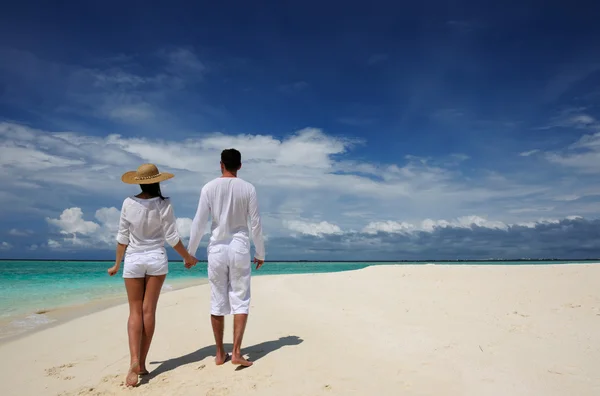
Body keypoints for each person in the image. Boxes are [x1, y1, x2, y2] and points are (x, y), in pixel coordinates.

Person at [107, 163, 198, 387]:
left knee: (134, 311)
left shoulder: (129, 203)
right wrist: (187, 257)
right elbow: (172, 237)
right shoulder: (164, 204)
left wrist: (117, 264)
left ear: (139, 181)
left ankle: (133, 361)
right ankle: (143, 363)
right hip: (156, 259)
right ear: (157, 181)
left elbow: (122, 237)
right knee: (149, 311)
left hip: (134, 260)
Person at [187, 148, 265, 367]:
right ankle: (237, 352)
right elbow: (256, 223)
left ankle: (220, 353)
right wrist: (260, 252)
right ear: (240, 166)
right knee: (241, 298)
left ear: (220, 164)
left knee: (217, 299)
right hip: (239, 247)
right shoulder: (248, 188)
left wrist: (190, 253)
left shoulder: (209, 187)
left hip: (217, 250)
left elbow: (199, 222)